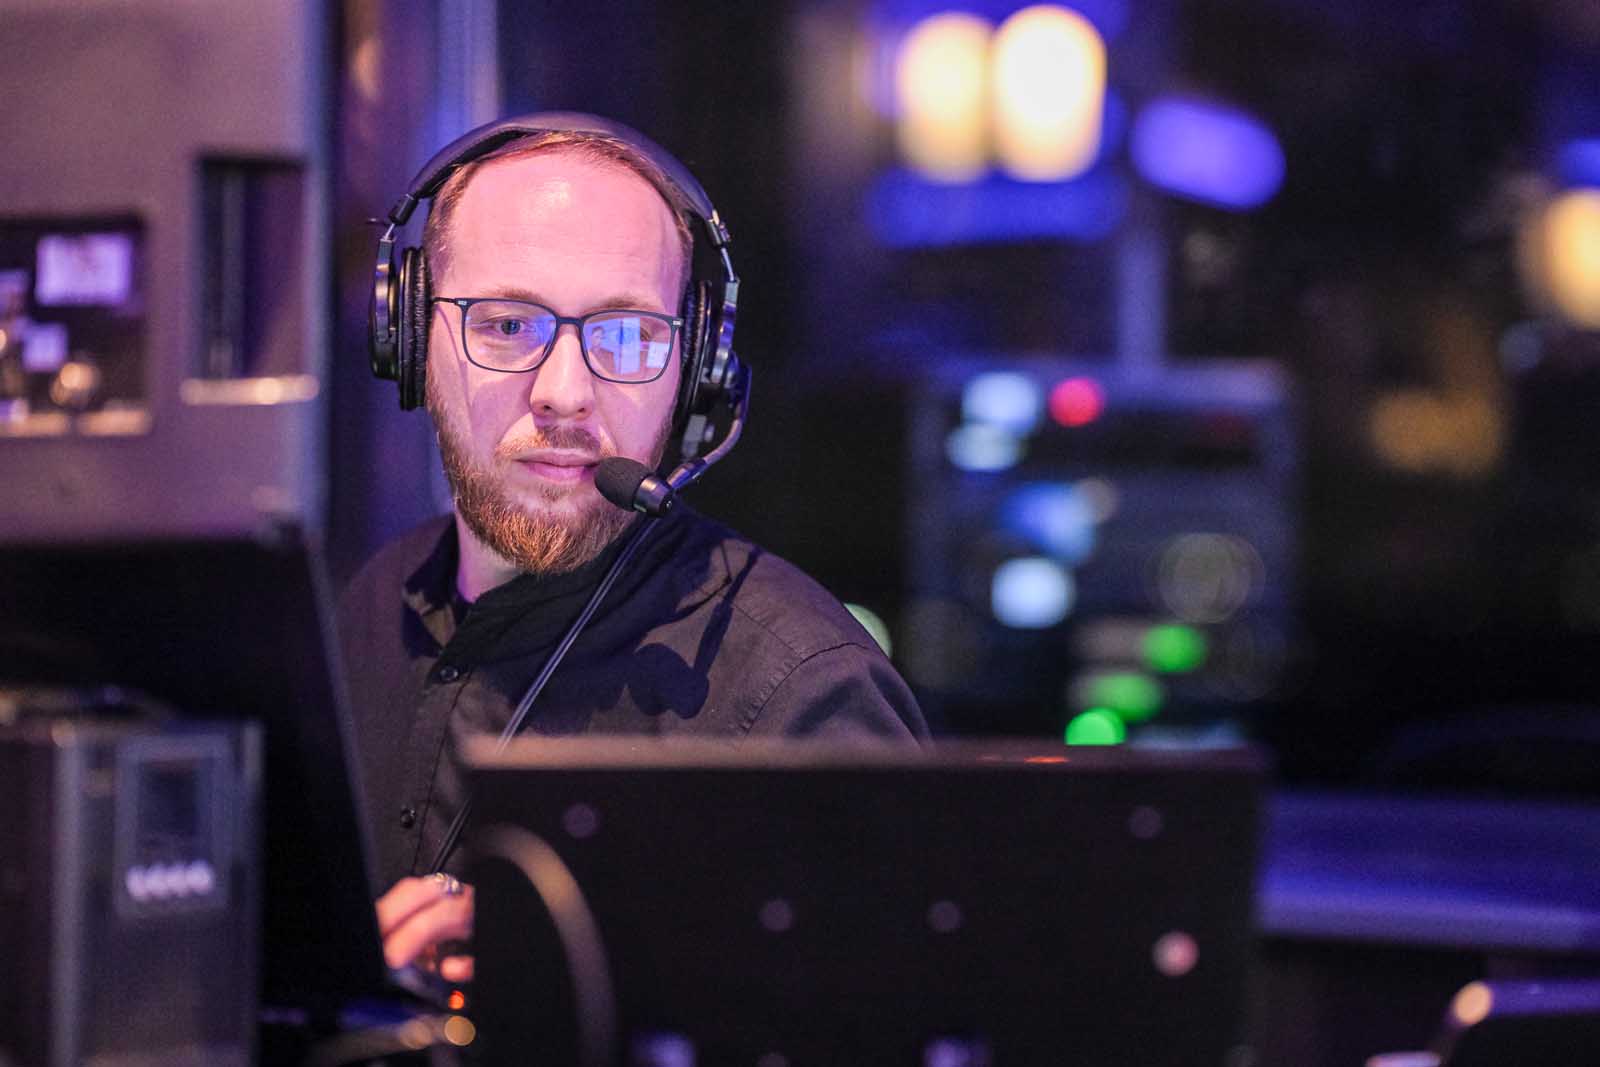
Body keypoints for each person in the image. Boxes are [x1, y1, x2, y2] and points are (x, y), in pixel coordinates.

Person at [338, 114, 928, 986]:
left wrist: (580, 980)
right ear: (411, 339)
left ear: (695, 373)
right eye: (507, 325)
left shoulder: (802, 697)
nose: (564, 392)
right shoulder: (366, 609)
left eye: (625, 334)